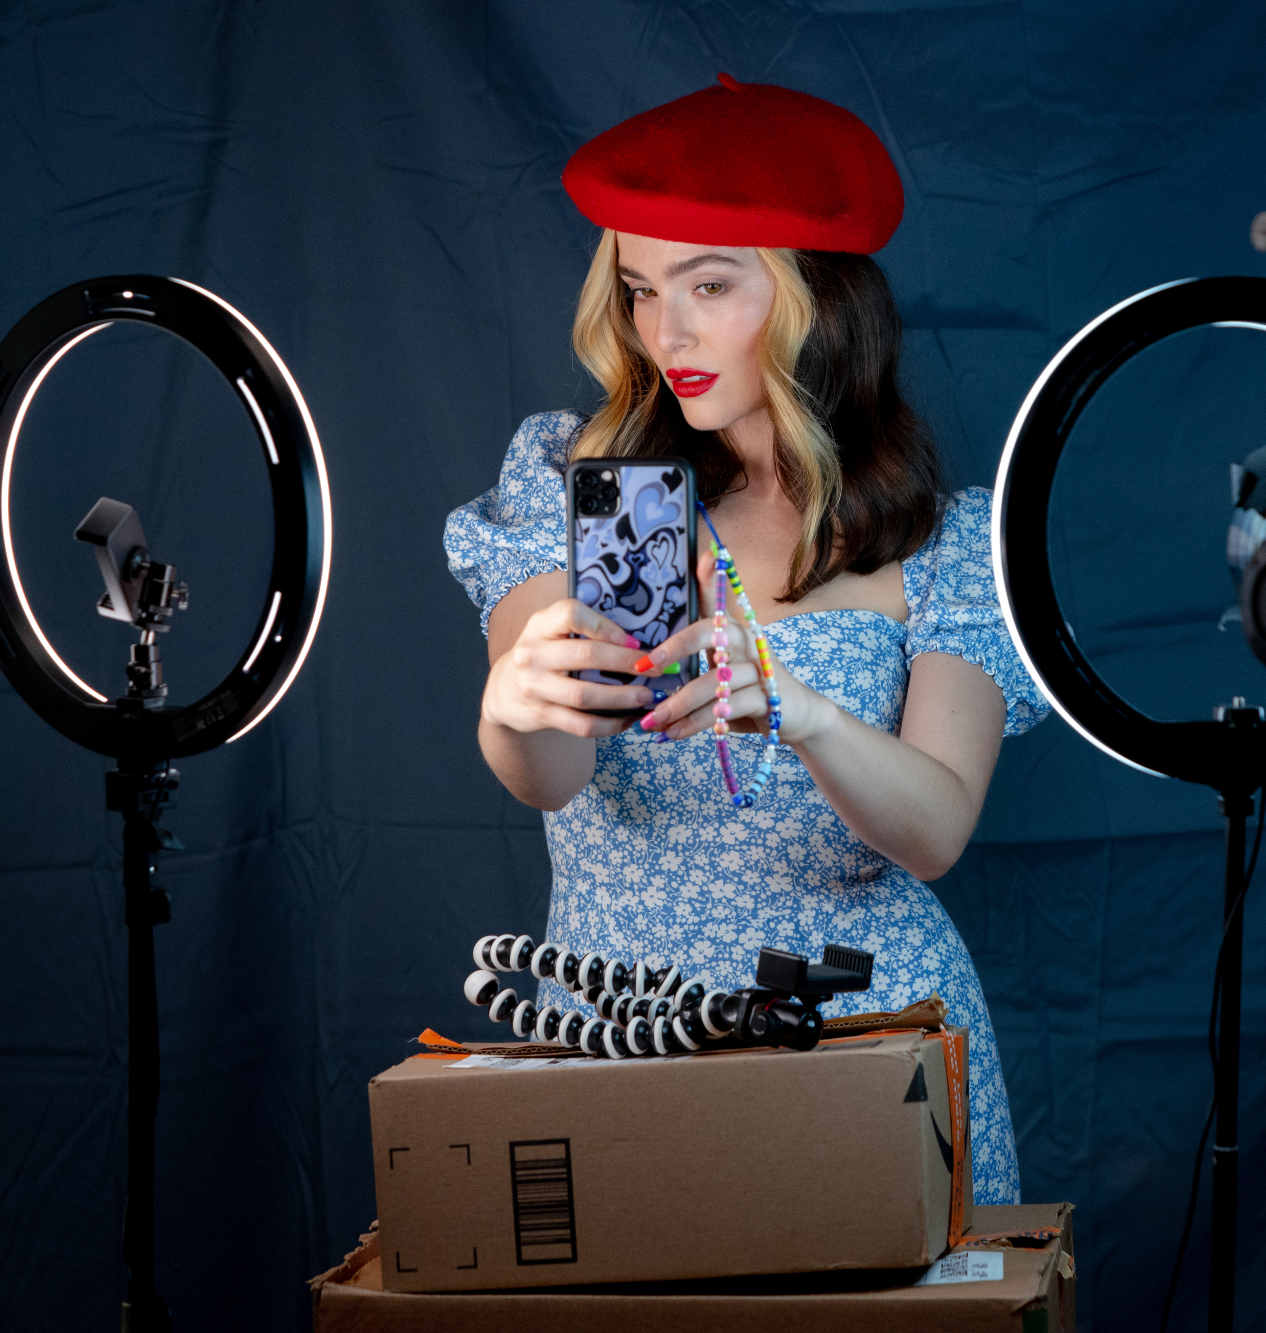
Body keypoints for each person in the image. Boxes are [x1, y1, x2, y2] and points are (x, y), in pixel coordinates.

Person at [444, 75, 1048, 1203]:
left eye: (708, 284)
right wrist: (510, 708)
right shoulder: (575, 484)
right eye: (636, 289)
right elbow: (547, 773)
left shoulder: (938, 539)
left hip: (869, 1039)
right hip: (617, 1039)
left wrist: (803, 711)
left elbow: (933, 832)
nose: (661, 332)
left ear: (815, 295)